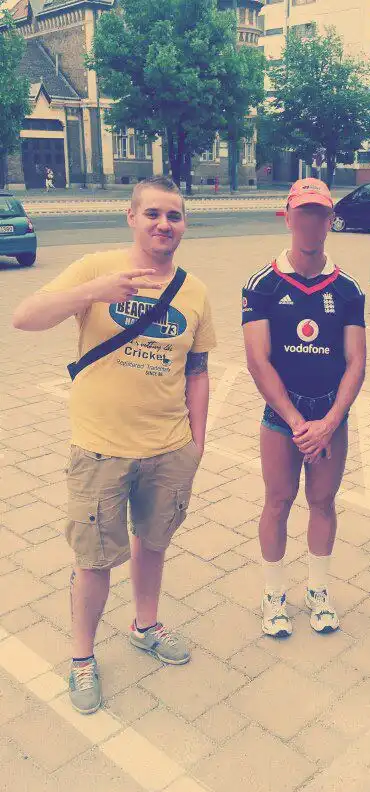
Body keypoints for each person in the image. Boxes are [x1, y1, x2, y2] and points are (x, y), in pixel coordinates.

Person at [12, 176, 216, 714]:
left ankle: (145, 626)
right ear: (131, 217)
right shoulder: (95, 268)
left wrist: (196, 443)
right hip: (100, 449)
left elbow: (198, 370)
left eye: (173, 216)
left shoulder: (194, 291)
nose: (163, 224)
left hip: (169, 449)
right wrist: (92, 293)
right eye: (152, 214)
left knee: (153, 543)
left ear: (183, 225)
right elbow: (24, 317)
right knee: (94, 559)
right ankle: (82, 657)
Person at [242, 178, 366, 638]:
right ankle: (274, 594)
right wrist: (297, 423)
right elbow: (257, 360)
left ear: (330, 220)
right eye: (303, 213)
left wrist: (329, 422)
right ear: (289, 217)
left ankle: (317, 591)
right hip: (283, 417)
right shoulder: (262, 285)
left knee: (323, 502)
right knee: (277, 502)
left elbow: (356, 362)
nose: (311, 222)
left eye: (320, 214)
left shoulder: (348, 289)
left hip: (330, 416)